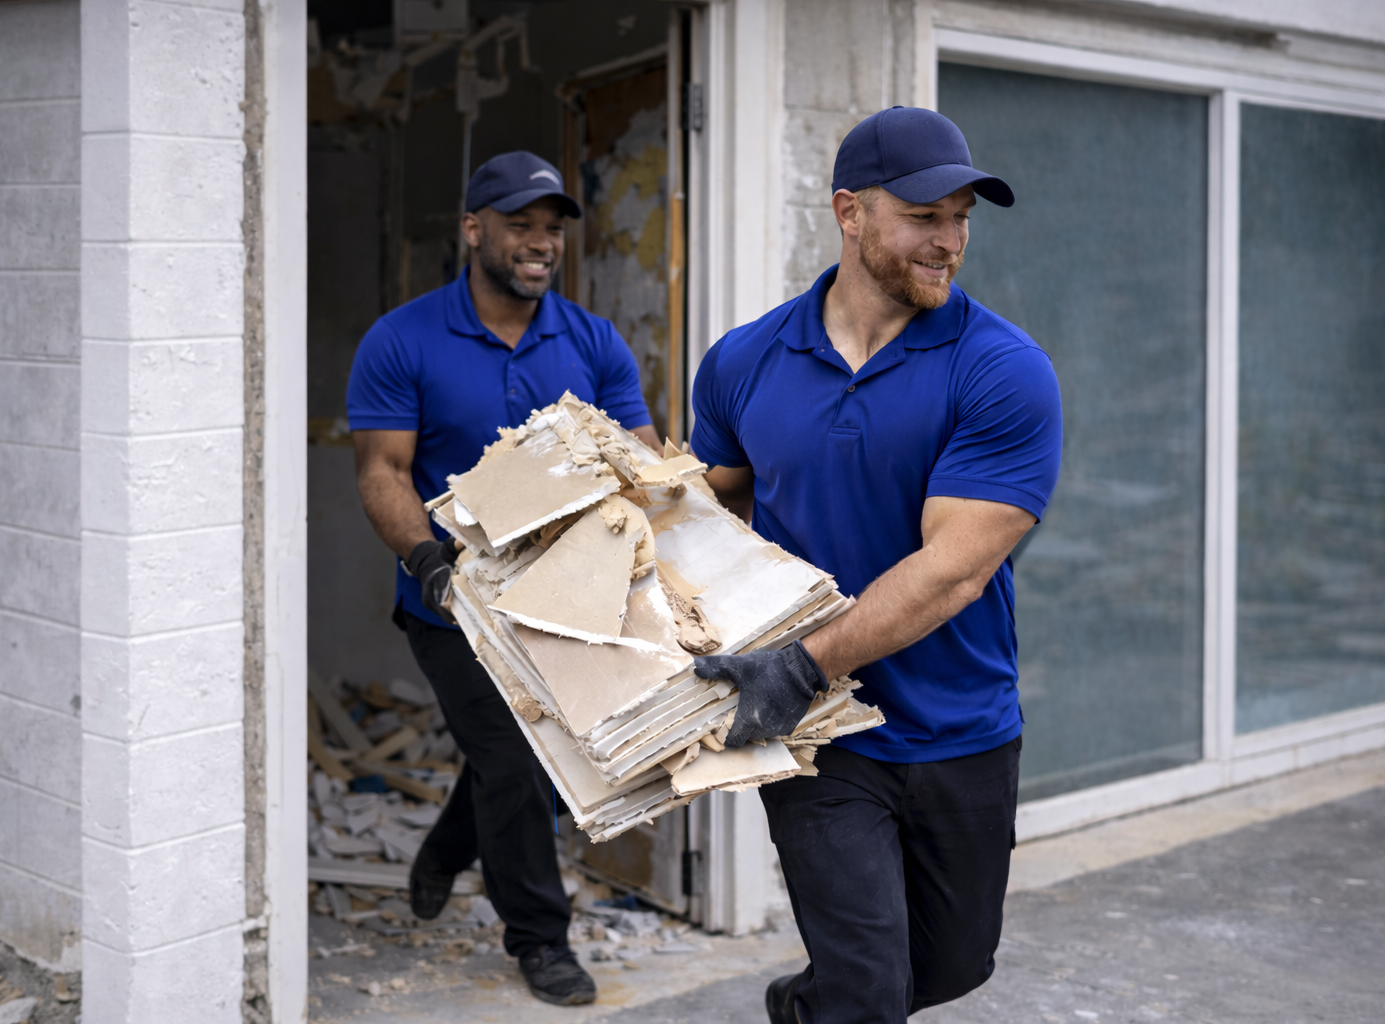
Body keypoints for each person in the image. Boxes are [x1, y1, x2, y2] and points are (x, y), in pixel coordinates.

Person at [688, 107, 1063, 1024]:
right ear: (850, 213)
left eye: (962, 218)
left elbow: (955, 571)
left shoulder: (1002, 370)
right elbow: (706, 508)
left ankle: (801, 1007)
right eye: (925, 217)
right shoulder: (744, 361)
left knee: (949, 969)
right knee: (869, 994)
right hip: (824, 733)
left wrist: (799, 661)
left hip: (960, 726)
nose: (950, 242)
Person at [346, 150, 662, 1006]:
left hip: (564, 604)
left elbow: (638, 456)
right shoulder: (402, 339)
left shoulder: (591, 342)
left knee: (528, 760)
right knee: (519, 768)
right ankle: (541, 940)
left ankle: (449, 848)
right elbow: (382, 471)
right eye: (521, 225)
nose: (541, 244)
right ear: (473, 229)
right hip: (452, 604)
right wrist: (431, 566)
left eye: (552, 229)